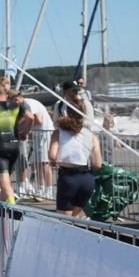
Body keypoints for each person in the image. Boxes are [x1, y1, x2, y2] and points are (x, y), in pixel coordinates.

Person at [48, 89, 102, 218]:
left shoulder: (58, 133)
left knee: (65, 220)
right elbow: (97, 164)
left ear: (66, 113)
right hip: (86, 179)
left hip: (68, 178)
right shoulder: (92, 136)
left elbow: (52, 155)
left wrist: (57, 160)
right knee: (75, 219)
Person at [12, 90, 53, 199]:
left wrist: (24, 130)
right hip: (38, 134)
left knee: (43, 163)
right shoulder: (24, 105)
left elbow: (38, 120)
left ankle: (48, 191)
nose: (15, 102)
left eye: (16, 99)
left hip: (44, 134)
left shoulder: (29, 104)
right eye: (13, 100)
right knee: (37, 163)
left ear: (21, 97)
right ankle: (41, 189)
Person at [0, 77, 29, 204]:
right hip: (14, 147)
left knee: (4, 184)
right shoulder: (16, 105)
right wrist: (24, 132)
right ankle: (4, 215)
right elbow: (30, 116)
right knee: (6, 183)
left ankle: (13, 210)